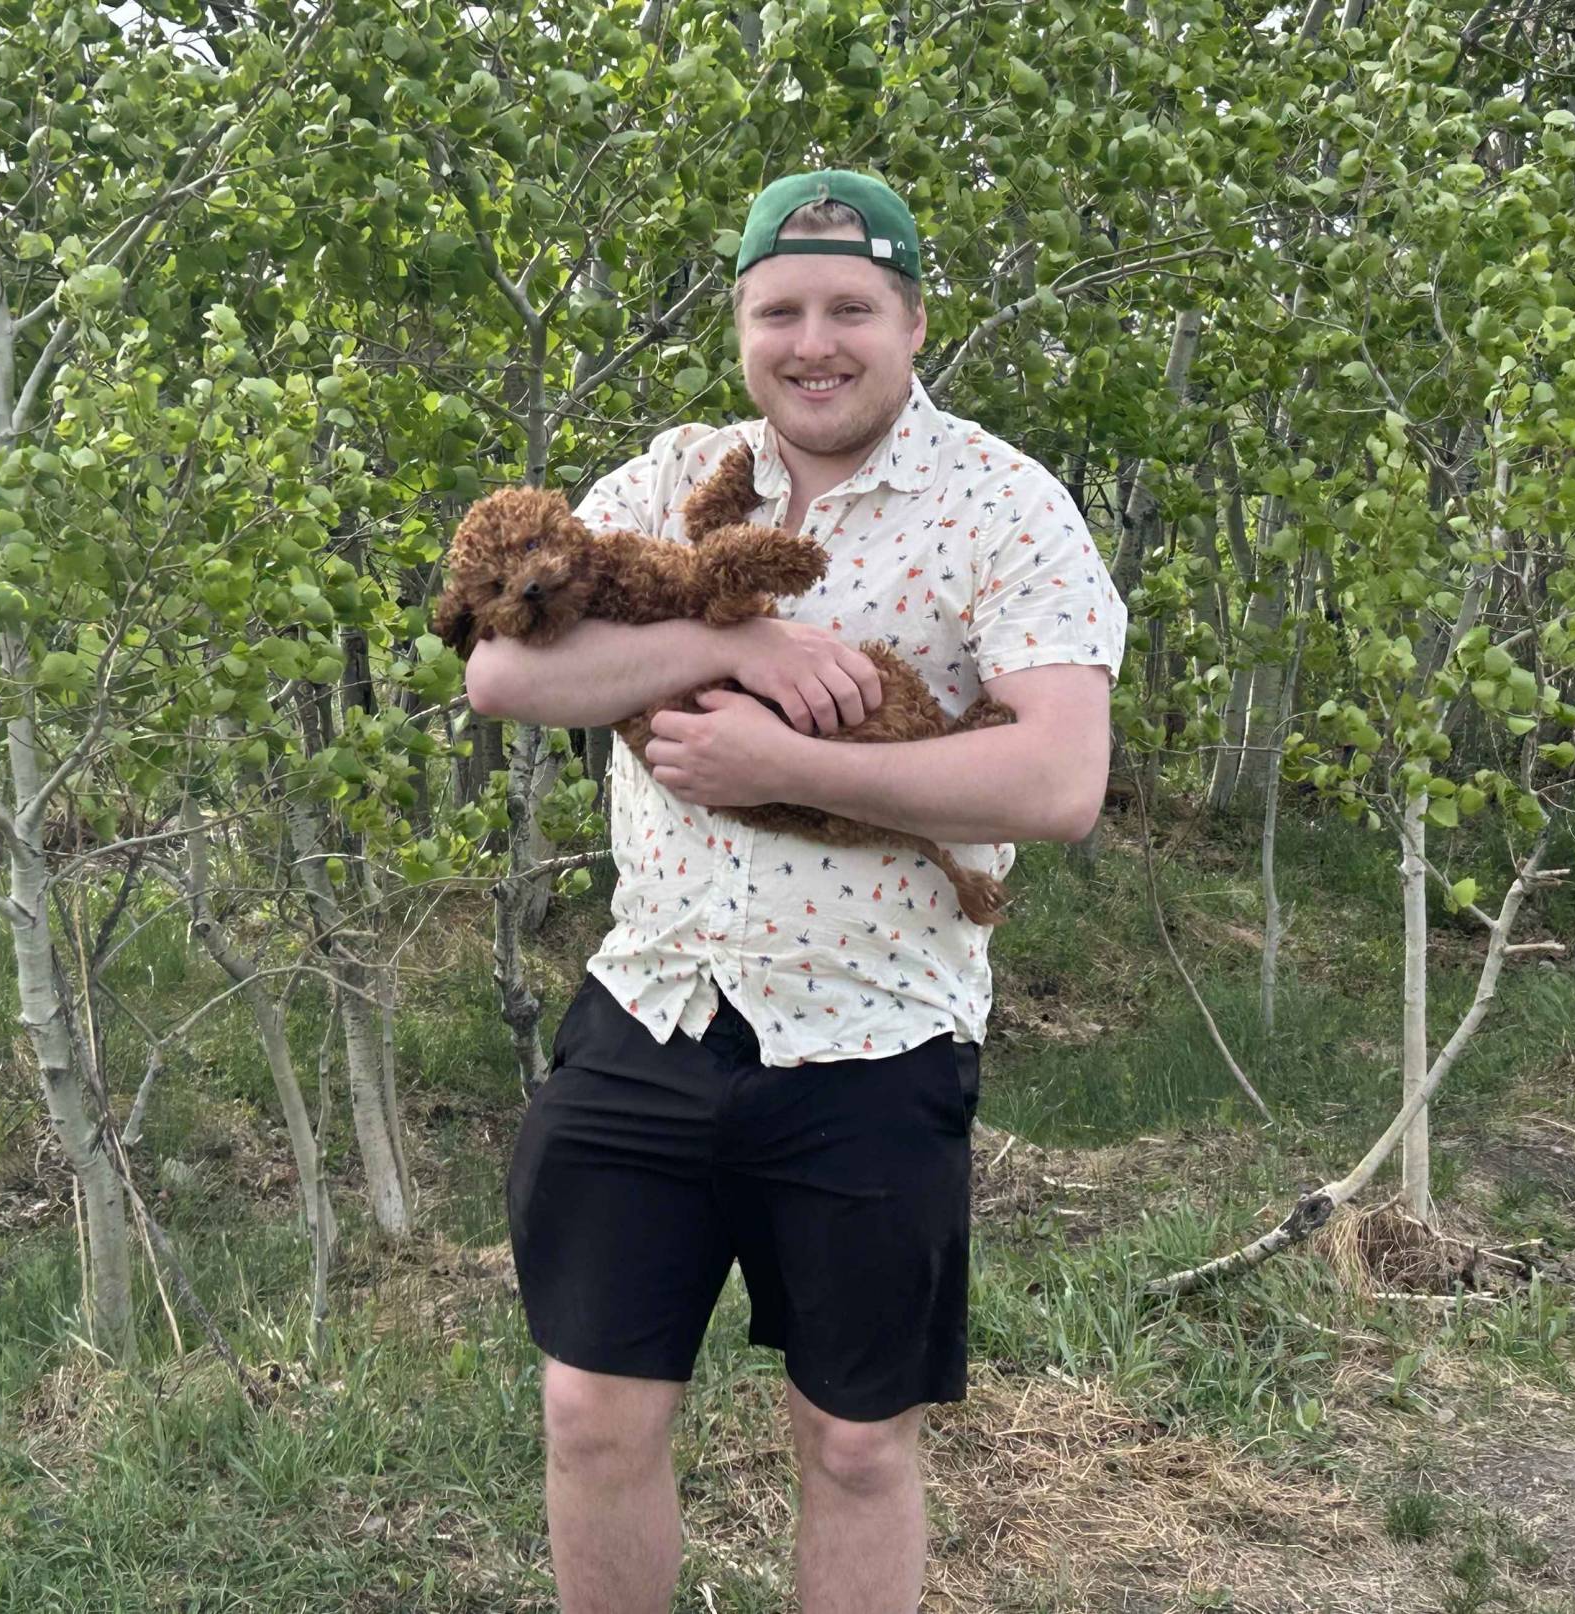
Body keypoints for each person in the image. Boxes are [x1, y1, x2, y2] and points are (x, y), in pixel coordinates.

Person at [464, 169, 1126, 1613]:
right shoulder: (664, 483)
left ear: (912, 322)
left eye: (850, 309)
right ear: (743, 322)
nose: (813, 340)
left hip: (878, 1038)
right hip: (653, 1003)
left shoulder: (1003, 506)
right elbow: (505, 667)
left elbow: (1061, 777)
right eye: (782, 309)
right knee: (591, 1411)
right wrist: (737, 651)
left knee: (856, 1440)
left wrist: (786, 760)